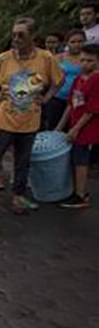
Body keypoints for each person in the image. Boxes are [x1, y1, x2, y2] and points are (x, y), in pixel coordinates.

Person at [0, 16, 64, 213]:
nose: (16, 39)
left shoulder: (45, 58)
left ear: (33, 36)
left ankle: (18, 197)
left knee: (23, 161)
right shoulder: (4, 58)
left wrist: (47, 98)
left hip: (30, 120)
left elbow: (59, 81)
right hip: (3, 118)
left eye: (21, 35)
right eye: (14, 35)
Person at [55, 43, 99, 208]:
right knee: (76, 159)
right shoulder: (78, 80)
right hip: (75, 124)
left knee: (81, 161)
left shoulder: (96, 79)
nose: (85, 63)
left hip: (88, 129)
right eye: (82, 60)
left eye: (90, 60)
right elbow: (70, 105)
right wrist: (60, 127)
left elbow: (92, 110)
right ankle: (77, 190)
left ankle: (81, 195)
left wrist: (76, 128)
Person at [44, 29, 85, 130]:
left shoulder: (88, 59)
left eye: (80, 41)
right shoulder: (58, 58)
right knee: (54, 127)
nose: (77, 44)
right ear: (67, 43)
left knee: (73, 128)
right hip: (57, 98)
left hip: (78, 100)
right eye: (73, 42)